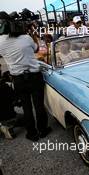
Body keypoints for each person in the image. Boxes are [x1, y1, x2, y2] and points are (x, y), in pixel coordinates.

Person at [0, 11, 51, 141]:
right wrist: (32, 33)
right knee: (39, 105)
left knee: (27, 107)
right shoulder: (26, 38)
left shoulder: (0, 42)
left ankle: (32, 134)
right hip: (34, 76)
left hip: (18, 79)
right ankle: (43, 130)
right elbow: (36, 49)